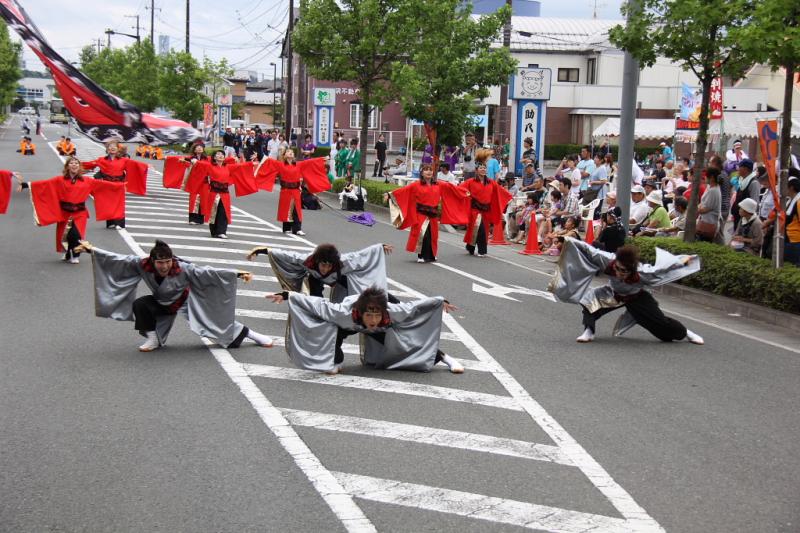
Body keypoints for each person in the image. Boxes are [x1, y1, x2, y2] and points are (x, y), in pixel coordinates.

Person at [75, 239, 273, 352]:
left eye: (168, 262)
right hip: (161, 302)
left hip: (185, 300)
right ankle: (152, 339)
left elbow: (207, 272)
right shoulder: (141, 264)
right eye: (160, 263)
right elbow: (117, 259)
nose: (164, 266)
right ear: (152, 261)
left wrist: (236, 273)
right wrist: (92, 250)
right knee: (140, 304)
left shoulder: (183, 269)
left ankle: (255, 336)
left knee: (215, 322)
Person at [271, 286, 464, 374]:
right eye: (369, 316)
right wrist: (288, 295)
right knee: (331, 335)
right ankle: (336, 360)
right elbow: (316, 304)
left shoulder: (391, 312)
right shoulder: (342, 312)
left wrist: (439, 301)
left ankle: (446, 358)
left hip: (383, 311)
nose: (373, 320)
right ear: (361, 313)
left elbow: (414, 307)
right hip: (348, 325)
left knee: (406, 343)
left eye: (376, 316)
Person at [549, 239, 704, 345]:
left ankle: (685, 333)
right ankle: (589, 331)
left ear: (631, 270)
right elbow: (589, 250)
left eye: (624, 271)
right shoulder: (607, 260)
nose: (619, 273)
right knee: (589, 303)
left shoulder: (643, 272)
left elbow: (663, 269)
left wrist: (682, 261)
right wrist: (570, 240)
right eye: (617, 269)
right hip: (612, 293)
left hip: (636, 296)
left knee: (660, 325)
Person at [13, 157, 125, 264]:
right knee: (65, 235)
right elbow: (45, 184)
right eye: (71, 163)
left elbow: (103, 185)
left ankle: (75, 255)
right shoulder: (59, 180)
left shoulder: (87, 181)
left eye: (76, 163)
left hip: (80, 212)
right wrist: (25, 185)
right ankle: (68, 253)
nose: (74, 165)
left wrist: (119, 186)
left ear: (79, 167)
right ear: (67, 166)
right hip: (65, 212)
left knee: (76, 234)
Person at [246, 243, 392, 303]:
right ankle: (316, 308)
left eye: (329, 266)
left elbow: (361, 255)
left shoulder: (343, 263)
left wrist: (379, 248)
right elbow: (286, 254)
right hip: (315, 279)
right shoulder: (307, 261)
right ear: (317, 261)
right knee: (314, 296)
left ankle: (391, 300)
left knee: (368, 292)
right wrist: (260, 250)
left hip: (340, 278)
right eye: (323, 265)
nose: (325, 269)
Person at [386, 163, 467, 263]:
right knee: (422, 234)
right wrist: (390, 195)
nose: (429, 171)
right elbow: (403, 191)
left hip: (433, 215)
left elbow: (451, 188)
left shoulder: (439, 184)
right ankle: (421, 255)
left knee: (433, 235)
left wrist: (465, 193)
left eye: (430, 170)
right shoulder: (416, 185)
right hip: (421, 214)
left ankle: (432, 254)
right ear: (422, 173)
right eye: (426, 170)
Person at [184, 149, 259, 239]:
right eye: (218, 154)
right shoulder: (209, 166)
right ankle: (214, 231)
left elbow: (240, 166)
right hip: (213, 193)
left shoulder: (228, 167)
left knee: (223, 213)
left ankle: (222, 231)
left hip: (224, 194)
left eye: (222, 154)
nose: (220, 156)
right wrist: (193, 160)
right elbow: (198, 163)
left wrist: (251, 163)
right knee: (213, 213)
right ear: (214, 157)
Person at [255, 147, 330, 235]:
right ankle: (287, 228)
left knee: (297, 210)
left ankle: (297, 229)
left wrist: (321, 159)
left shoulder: (299, 164)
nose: (290, 153)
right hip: (285, 190)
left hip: (295, 190)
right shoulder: (280, 165)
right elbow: (269, 162)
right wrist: (259, 155)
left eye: (292, 152)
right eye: (288, 152)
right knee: (286, 208)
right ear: (285, 155)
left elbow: (310, 162)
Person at [81, 141, 149, 229]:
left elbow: (135, 165)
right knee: (108, 204)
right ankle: (110, 222)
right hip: (107, 185)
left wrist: (146, 166)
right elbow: (90, 164)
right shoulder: (101, 160)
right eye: (110, 146)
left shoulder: (124, 160)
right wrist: (76, 164)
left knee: (119, 204)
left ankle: (119, 223)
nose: (112, 148)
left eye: (114, 147)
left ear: (118, 149)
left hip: (118, 185)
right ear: (107, 149)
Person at [460, 163, 513, 257]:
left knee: (481, 230)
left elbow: (499, 191)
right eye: (481, 168)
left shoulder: (491, 182)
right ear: (476, 170)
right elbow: (460, 189)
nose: (483, 169)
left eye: (484, 168)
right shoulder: (470, 182)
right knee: (479, 229)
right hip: (475, 210)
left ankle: (470, 246)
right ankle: (482, 250)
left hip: (486, 211)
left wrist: (509, 196)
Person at [731, 159, 760, 231]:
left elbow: (754, 203)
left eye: (740, 167)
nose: (738, 169)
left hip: (745, 219)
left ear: (745, 169)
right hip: (738, 216)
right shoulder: (742, 181)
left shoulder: (754, 183)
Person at [696, 167, 722, 242]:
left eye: (706, 176)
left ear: (712, 178)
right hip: (705, 220)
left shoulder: (714, 191)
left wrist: (697, 209)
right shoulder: (709, 187)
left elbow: (705, 209)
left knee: (704, 241)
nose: (705, 178)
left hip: (709, 223)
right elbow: (702, 203)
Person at [780, 177, 800, 266]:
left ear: (791, 187)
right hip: (787, 239)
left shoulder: (799, 201)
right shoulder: (789, 200)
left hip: (795, 241)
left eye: (784, 186)